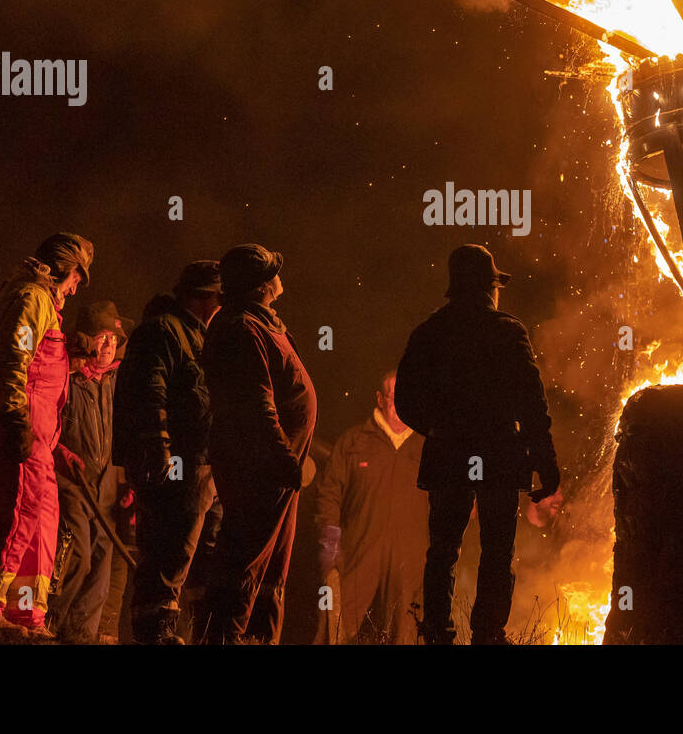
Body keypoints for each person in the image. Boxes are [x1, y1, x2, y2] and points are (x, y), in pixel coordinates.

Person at [395, 244, 559, 645]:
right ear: (490, 287)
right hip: (499, 453)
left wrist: (439, 427)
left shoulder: (429, 332)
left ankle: (437, 633)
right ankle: (487, 634)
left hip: (448, 454)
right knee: (497, 549)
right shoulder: (507, 331)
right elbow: (532, 403)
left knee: (443, 550)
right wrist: (546, 462)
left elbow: (405, 401)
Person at [0, 232, 93, 637]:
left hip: (36, 432)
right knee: (20, 511)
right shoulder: (32, 298)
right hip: (19, 423)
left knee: (41, 521)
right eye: (79, 277)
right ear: (67, 269)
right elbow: (14, 360)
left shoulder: (40, 303)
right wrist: (15, 419)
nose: (77, 287)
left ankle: (25, 613)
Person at [203, 244, 316, 644]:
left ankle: (259, 639)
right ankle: (225, 638)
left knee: (271, 569)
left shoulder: (263, 324)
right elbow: (256, 407)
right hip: (260, 470)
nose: (279, 277)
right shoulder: (241, 329)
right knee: (245, 562)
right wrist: (286, 459)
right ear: (261, 285)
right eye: (272, 272)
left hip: (278, 473)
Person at [117, 259, 222, 645]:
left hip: (203, 460)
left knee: (202, 550)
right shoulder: (164, 331)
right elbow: (150, 393)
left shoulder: (196, 335)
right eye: (219, 299)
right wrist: (158, 448)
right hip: (178, 460)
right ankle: (155, 631)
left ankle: (198, 630)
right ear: (204, 297)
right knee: (171, 543)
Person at [313, 370, 430, 644]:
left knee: (407, 633)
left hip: (410, 561)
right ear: (379, 399)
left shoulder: (428, 448)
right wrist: (330, 542)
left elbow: (449, 498)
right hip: (357, 553)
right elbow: (329, 493)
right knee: (335, 627)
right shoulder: (354, 442)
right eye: (393, 397)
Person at [48, 299, 130, 642]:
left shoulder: (114, 382)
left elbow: (125, 434)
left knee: (100, 567)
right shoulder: (66, 376)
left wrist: (127, 480)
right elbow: (46, 423)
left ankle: (80, 637)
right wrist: (61, 452)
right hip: (72, 482)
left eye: (114, 337)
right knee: (77, 556)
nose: (109, 345)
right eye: (102, 337)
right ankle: (49, 626)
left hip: (107, 486)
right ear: (85, 338)